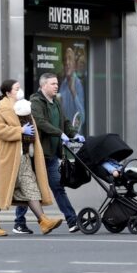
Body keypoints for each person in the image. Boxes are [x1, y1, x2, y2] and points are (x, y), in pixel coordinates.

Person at [0, 79, 63, 237]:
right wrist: (20, 130)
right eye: (16, 89)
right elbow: (0, 130)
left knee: (31, 188)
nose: (19, 91)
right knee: (1, 192)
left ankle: (43, 221)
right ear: (8, 92)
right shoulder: (2, 108)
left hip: (24, 157)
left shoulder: (23, 107)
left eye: (19, 88)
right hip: (7, 158)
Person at [14, 73, 84, 234]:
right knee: (29, 188)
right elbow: (40, 122)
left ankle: (72, 221)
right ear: (43, 85)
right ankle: (19, 222)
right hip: (37, 155)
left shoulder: (56, 102)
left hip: (51, 155)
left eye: (57, 83)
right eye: (52, 83)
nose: (56, 86)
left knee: (58, 187)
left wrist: (73, 134)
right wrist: (60, 134)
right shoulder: (36, 101)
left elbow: (65, 122)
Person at [59, 47, 86, 132]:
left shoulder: (78, 84)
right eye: (65, 59)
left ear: (74, 65)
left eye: (70, 59)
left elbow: (82, 117)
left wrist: (73, 92)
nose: (67, 63)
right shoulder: (63, 84)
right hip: (64, 134)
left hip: (75, 138)